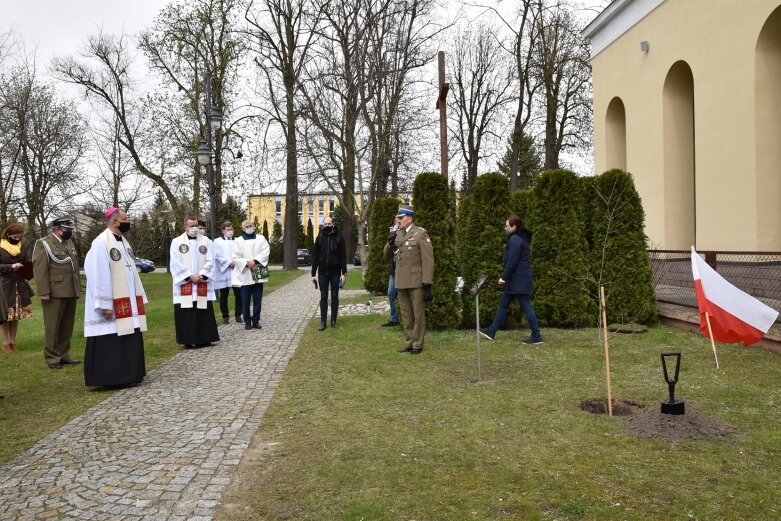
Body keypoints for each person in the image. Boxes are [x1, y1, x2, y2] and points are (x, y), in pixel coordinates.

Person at [83, 208, 147, 387]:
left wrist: (138, 296)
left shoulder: (123, 242)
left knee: (129, 332)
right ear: (114, 221)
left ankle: (130, 374)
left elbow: (131, 271)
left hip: (127, 298)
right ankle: (113, 377)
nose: (128, 222)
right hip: (111, 300)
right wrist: (104, 303)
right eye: (125, 219)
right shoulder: (101, 243)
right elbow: (98, 274)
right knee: (111, 336)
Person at [479, 215, 544, 345]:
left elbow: (512, 260)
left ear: (514, 227)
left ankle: (536, 336)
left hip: (518, 279)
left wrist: (504, 277)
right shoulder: (521, 238)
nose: (505, 228)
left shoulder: (515, 239)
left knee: (526, 306)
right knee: (503, 303)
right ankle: (491, 331)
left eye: (507, 226)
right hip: (517, 279)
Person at [383, 204, 434, 355]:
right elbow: (386, 255)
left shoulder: (420, 234)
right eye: (398, 218)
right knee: (406, 314)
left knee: (418, 314)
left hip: (416, 281)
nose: (398, 220)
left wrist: (427, 282)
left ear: (409, 218)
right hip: (401, 280)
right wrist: (389, 243)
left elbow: (428, 260)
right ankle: (409, 342)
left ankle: (417, 344)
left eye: (401, 217)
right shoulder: (396, 234)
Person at [32, 217, 82, 369]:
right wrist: (44, 291)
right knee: (53, 326)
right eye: (67, 230)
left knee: (67, 325)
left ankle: (64, 355)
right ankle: (52, 358)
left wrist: (77, 288)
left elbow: (73, 267)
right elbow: (40, 269)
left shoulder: (68, 242)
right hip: (54, 291)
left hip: (70, 289)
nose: (70, 232)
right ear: (57, 230)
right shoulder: (44, 244)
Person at [169, 216, 220, 348]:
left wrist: (202, 274)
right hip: (186, 281)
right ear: (185, 227)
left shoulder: (206, 241)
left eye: (196, 225)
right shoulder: (176, 242)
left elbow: (211, 260)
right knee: (187, 309)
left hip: (201, 281)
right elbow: (175, 262)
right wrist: (189, 276)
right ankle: (188, 340)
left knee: (202, 309)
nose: (194, 228)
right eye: (191, 226)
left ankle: (205, 338)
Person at [0, 224, 34, 354]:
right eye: (15, 236)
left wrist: (28, 267)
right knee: (5, 315)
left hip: (19, 284)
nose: (18, 239)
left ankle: (13, 341)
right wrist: (11, 266)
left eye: (20, 237)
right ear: (8, 235)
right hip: (5, 285)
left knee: (16, 315)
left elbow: (26, 260)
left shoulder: (22, 246)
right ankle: (6, 343)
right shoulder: (1, 247)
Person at [232, 219, 270, 330]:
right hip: (245, 273)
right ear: (243, 228)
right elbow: (235, 256)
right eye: (247, 226)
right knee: (245, 299)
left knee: (258, 299)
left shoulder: (261, 238)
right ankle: (247, 321)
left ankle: (256, 320)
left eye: (250, 225)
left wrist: (255, 261)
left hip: (258, 270)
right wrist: (248, 263)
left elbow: (266, 251)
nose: (249, 228)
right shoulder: (238, 241)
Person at [310, 215, 347, 331]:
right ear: (323, 225)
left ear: (333, 224)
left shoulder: (339, 237)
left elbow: (343, 257)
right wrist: (313, 274)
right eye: (325, 224)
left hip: (335, 272)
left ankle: (333, 321)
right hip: (322, 273)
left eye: (329, 224)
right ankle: (323, 322)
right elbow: (315, 256)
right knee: (324, 296)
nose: (327, 226)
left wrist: (344, 273)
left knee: (334, 296)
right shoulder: (319, 237)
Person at [214, 221, 242, 325]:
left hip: (236, 270)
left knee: (238, 294)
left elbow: (241, 253)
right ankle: (225, 316)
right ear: (223, 231)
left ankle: (238, 314)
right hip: (224, 271)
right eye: (228, 229)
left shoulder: (238, 240)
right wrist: (227, 263)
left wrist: (236, 262)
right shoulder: (217, 241)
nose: (230, 231)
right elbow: (216, 254)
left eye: (231, 229)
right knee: (224, 295)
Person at [380, 219, 400, 328]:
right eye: (396, 221)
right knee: (391, 294)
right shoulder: (393, 235)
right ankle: (394, 318)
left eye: (400, 220)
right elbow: (386, 254)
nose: (398, 223)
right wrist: (389, 242)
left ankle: (405, 319)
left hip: (405, 272)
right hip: (394, 271)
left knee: (404, 296)